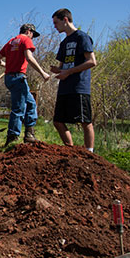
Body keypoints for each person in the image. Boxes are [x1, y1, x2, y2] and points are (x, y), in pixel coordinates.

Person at [0, 23, 50, 146]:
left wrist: (7, 65)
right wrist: (42, 73)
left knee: (31, 104)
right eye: (33, 35)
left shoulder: (11, 42)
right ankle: (12, 138)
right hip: (18, 78)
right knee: (19, 108)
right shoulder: (25, 39)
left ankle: (29, 134)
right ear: (29, 31)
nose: (32, 38)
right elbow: (29, 57)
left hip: (10, 78)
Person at [50, 8, 96, 152]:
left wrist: (68, 72)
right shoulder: (64, 43)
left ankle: (90, 154)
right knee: (58, 121)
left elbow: (92, 61)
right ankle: (71, 151)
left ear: (65, 20)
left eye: (56, 23)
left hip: (79, 86)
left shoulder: (82, 37)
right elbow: (62, 66)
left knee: (85, 121)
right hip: (64, 88)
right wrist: (58, 71)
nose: (55, 26)